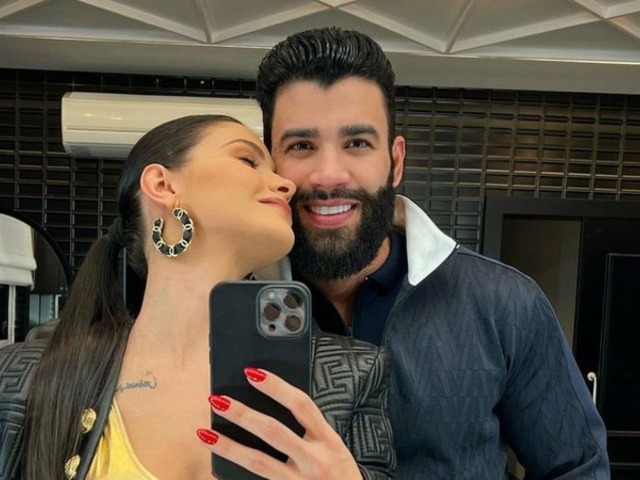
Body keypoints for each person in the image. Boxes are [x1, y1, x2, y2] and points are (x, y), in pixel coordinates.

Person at [255, 27, 610, 479]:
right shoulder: (228, 304)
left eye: (357, 143)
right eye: (301, 146)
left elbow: (580, 471)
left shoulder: (504, 305)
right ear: (269, 163)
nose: (328, 175)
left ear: (395, 161)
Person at [0, 115, 395, 480]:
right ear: (163, 185)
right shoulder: (26, 376)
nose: (286, 185)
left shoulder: (355, 374)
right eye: (248, 160)